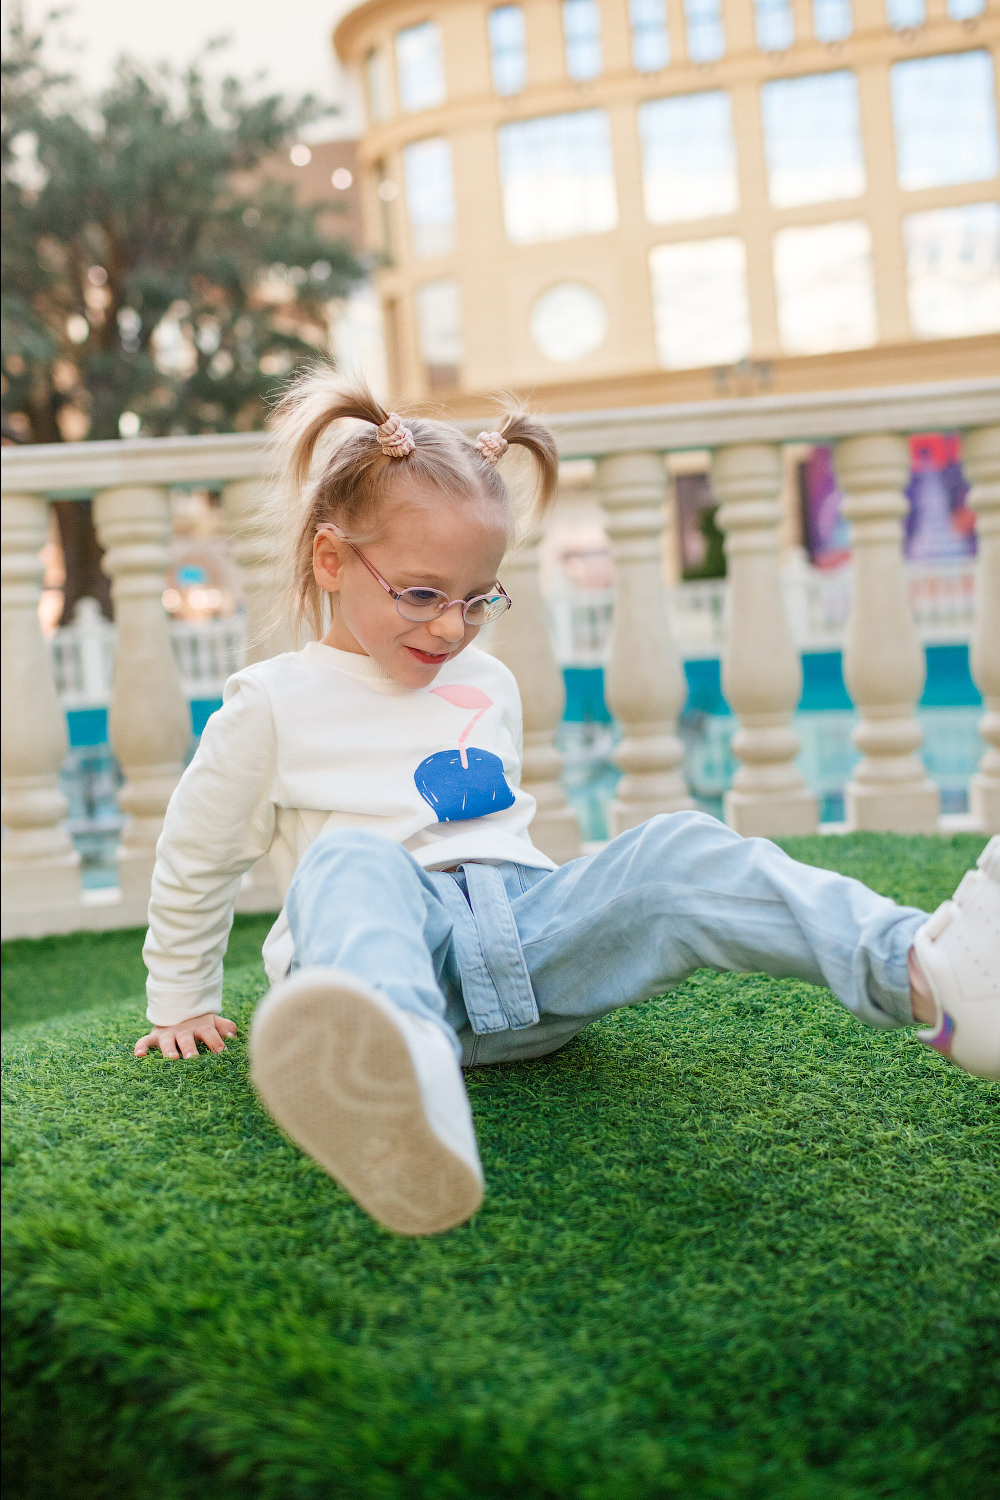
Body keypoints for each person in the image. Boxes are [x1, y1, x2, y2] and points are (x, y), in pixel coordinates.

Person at [135, 369, 1000, 1237]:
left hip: (528, 946)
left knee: (677, 847)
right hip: (388, 965)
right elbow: (198, 855)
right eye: (422, 594)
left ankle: (927, 974)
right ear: (331, 559)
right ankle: (402, 1087)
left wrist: (534, 916)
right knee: (351, 861)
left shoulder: (485, 681)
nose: (450, 627)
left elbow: (490, 834)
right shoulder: (272, 701)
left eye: (478, 599)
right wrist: (181, 996)